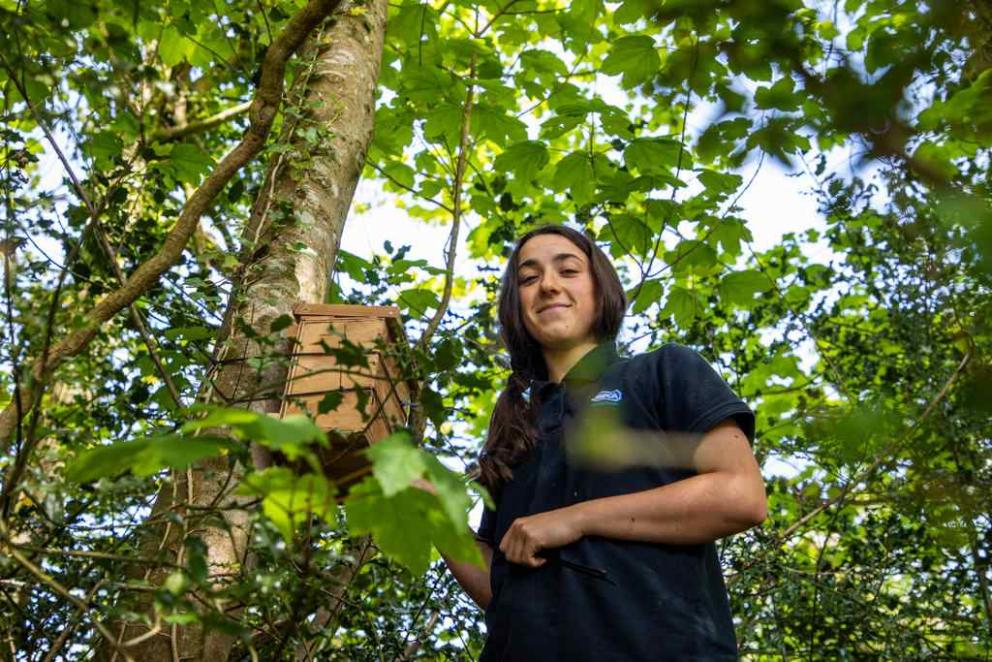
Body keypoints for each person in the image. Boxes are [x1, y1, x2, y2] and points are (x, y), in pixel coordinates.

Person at [436, 225, 766, 660]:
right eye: (529, 278)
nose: (548, 285)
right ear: (516, 305)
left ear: (601, 287)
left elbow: (740, 495)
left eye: (568, 270)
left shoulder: (663, 372)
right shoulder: (513, 430)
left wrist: (575, 519)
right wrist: (433, 516)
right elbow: (502, 590)